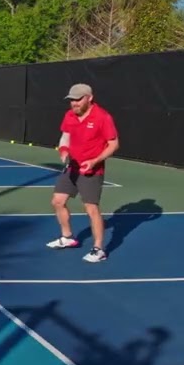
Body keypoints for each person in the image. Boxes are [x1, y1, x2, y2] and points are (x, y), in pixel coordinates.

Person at [47, 83, 119, 263]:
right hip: (72, 167)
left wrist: (94, 161)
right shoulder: (69, 115)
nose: (74, 103)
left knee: (91, 208)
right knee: (57, 201)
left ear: (89, 98)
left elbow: (113, 144)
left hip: (92, 170)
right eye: (72, 100)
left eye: (78, 99)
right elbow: (65, 136)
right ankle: (68, 237)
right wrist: (63, 149)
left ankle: (99, 249)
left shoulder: (103, 117)